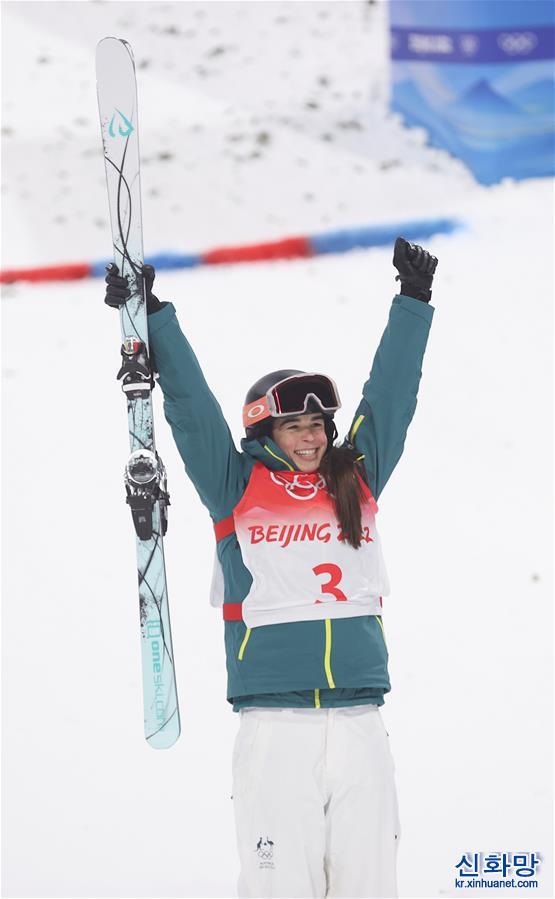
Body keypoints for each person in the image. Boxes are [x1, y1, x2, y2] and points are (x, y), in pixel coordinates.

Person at [105, 237, 437, 899]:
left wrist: (412, 302)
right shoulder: (235, 486)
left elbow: (391, 398)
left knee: (370, 885)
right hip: (274, 729)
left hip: (361, 724)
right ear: (265, 435)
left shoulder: (357, 479)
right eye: (296, 426)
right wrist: (155, 317)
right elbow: (192, 408)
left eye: (319, 424)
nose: (313, 437)